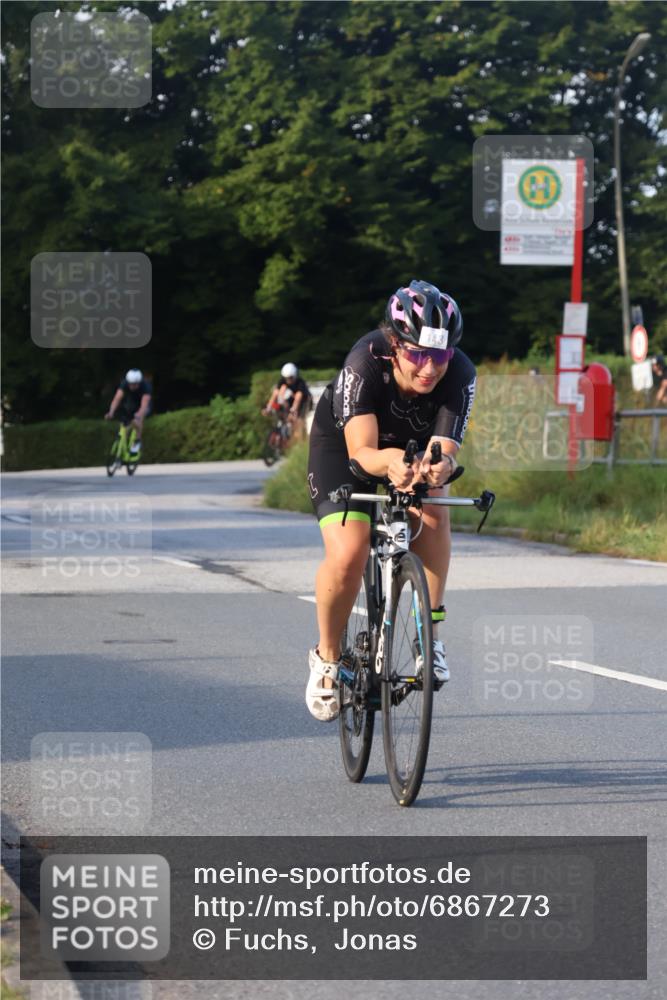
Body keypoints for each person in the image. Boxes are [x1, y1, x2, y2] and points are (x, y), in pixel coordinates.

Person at [305, 279, 476, 721]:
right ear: (394, 345)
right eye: (418, 353)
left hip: (412, 450)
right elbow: (362, 452)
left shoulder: (460, 373)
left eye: (439, 356)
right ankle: (326, 657)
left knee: (435, 508)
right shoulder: (364, 362)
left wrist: (437, 467)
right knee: (350, 551)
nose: (429, 368)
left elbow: (445, 447)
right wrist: (392, 462)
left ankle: (428, 637)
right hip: (346, 449)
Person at [104, 369, 153, 454]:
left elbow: (144, 405)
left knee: (137, 419)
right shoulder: (125, 383)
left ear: (139, 382)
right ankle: (123, 446)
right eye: (130, 384)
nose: (131, 386)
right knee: (125, 423)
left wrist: (139, 414)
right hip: (132, 403)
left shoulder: (146, 386)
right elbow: (117, 399)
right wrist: (111, 412)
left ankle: (137, 440)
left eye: (134, 384)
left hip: (143, 405)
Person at [263, 363, 311, 437]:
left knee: (298, 421)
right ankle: (281, 415)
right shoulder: (283, 382)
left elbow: (299, 397)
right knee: (281, 389)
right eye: (286, 378)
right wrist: (269, 407)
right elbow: (275, 393)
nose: (288, 380)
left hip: (302, 404)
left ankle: (298, 438)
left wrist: (293, 410)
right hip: (289, 404)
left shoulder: (300, 383)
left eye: (290, 378)